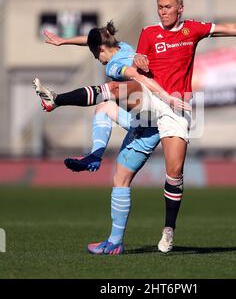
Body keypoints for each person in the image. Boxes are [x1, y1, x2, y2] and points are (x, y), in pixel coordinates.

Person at [35, 0, 236, 253]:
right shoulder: (145, 36)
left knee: (173, 174)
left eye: (167, 7)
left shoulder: (189, 30)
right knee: (111, 105)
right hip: (155, 101)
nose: (162, 12)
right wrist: (153, 80)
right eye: (159, 8)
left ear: (180, 8)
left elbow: (230, 29)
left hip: (172, 108)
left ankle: (168, 228)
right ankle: (115, 241)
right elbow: (134, 69)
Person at [34, 20, 189, 255]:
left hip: (154, 113)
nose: (99, 60)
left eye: (97, 56)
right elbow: (94, 41)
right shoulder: (123, 46)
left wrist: (166, 97)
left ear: (101, 50)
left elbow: (139, 77)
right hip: (145, 123)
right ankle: (115, 242)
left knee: (110, 92)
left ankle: (57, 100)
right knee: (119, 178)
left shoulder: (114, 66)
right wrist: (65, 41)